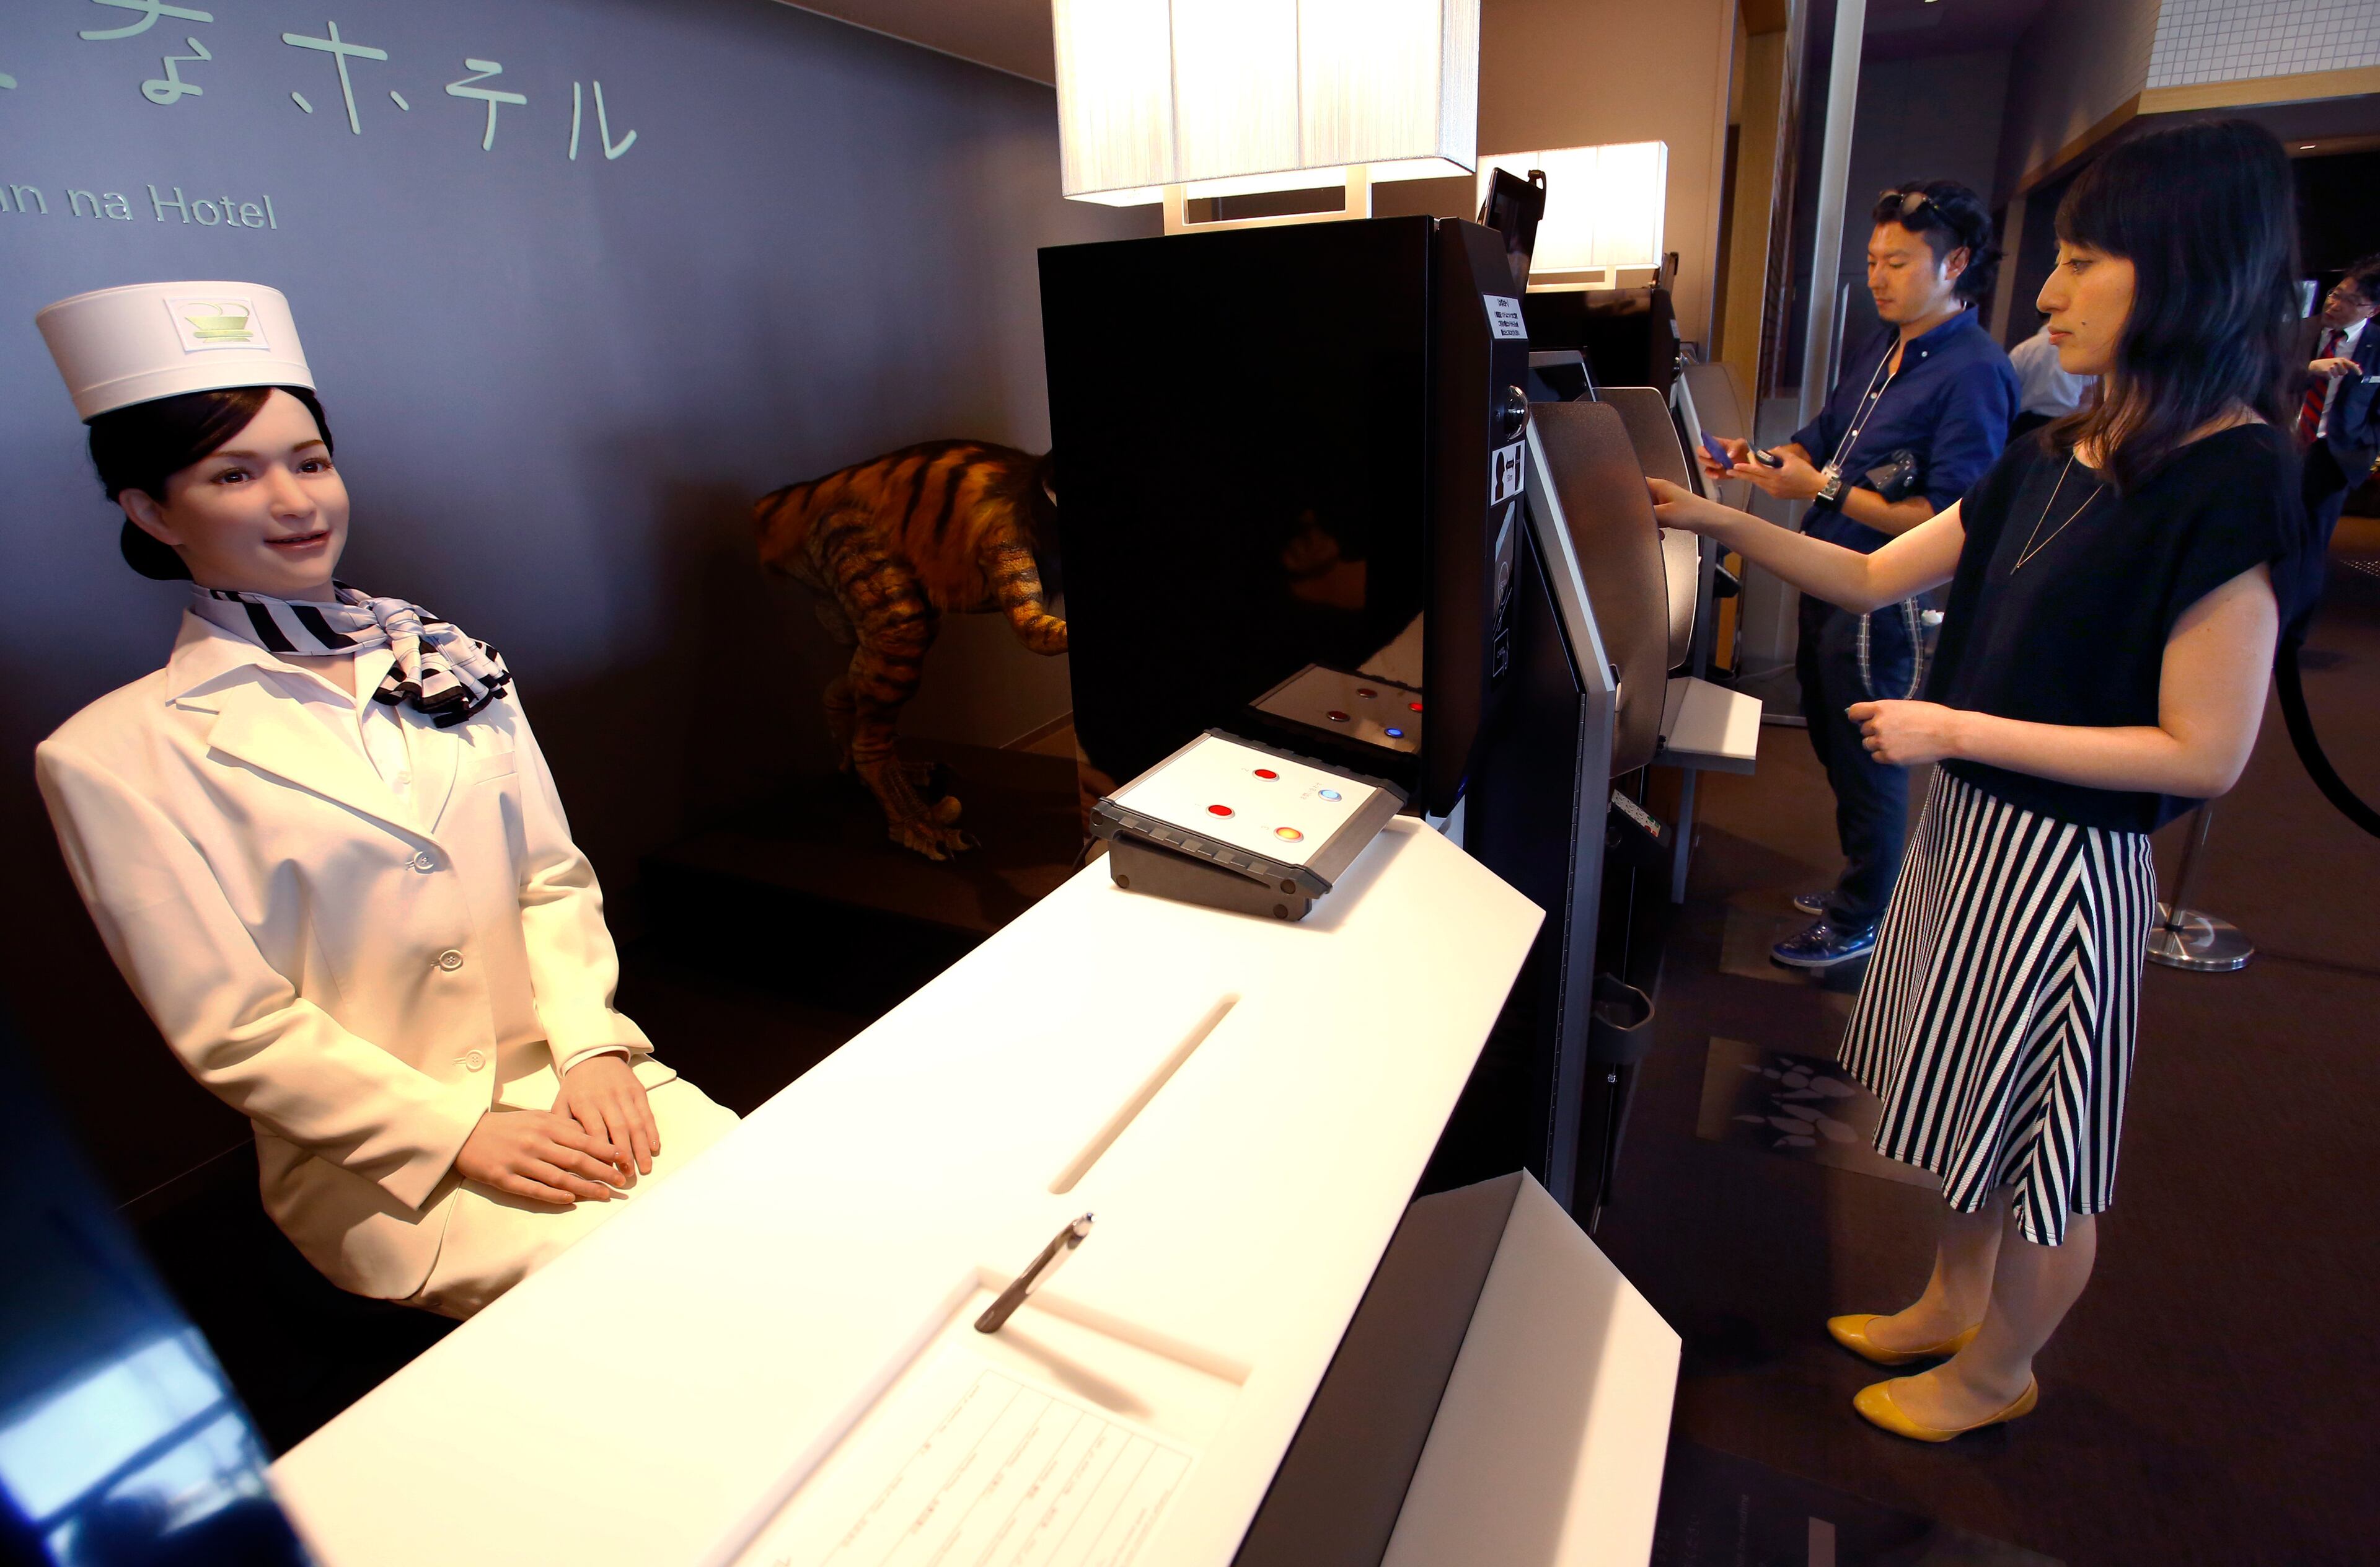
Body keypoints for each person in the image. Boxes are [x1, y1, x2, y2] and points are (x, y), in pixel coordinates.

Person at [1649, 120, 2311, 1440]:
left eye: (2082, 261)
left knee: (2043, 1161)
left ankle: (2001, 1367)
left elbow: (2207, 750)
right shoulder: (2056, 452)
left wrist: (1957, 729)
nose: (2048, 295)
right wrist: (1717, 518)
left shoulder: (2235, 477)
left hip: (2066, 870)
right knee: (1963, 1100)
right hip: (1975, 837)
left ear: (2186, 269)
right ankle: (1953, 1298)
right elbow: (1874, 570)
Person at [32, 282, 739, 1320]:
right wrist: (455, 1132)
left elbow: (550, 877)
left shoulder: (440, 657)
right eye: (236, 473)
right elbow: (235, 1026)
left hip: (579, 1080)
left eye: (310, 460)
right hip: (387, 1162)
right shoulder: (109, 756)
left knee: (774, 1204)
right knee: (657, 1303)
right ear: (150, 509)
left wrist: (590, 1044)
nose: (297, 500)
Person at [1702, 181, 2018, 971]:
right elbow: (1822, 438)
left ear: (1958, 265)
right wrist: (1772, 458)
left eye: (1899, 262)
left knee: (1869, 753)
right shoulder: (1886, 346)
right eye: (1873, 261)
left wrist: (1823, 489)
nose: (1878, 277)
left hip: (1888, 599)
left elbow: (1951, 523)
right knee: (1835, 741)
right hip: (1834, 571)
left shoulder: (1975, 372)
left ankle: (1864, 913)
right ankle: (1865, 883)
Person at [2299, 254, 2380, 550]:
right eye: (2336, 294)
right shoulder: (2294, 332)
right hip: (2279, 444)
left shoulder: (2377, 347)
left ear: (2372, 310)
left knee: (2310, 543)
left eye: (2351, 301)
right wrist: (2307, 370)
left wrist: (2363, 447)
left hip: (2333, 456)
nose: (2334, 304)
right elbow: (2258, 381)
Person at [2007, 320, 2094, 441]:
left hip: (2025, 426)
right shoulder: (2081, 352)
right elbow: (2089, 392)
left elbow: (2008, 391)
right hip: (2066, 424)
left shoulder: (2024, 349)